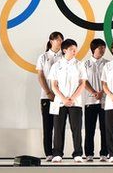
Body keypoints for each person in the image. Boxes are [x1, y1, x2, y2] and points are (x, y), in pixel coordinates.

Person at [49, 38, 87, 162]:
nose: (74, 51)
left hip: (75, 102)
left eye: (75, 49)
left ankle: (77, 154)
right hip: (60, 102)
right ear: (64, 50)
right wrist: (64, 99)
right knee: (58, 128)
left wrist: (72, 98)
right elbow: (54, 85)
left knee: (76, 129)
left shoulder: (79, 64)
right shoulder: (56, 65)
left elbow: (82, 84)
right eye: (71, 49)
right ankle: (57, 153)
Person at [36, 31, 64, 160]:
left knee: (58, 125)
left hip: (60, 97)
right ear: (51, 41)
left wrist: (59, 94)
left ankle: (58, 152)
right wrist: (48, 92)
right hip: (47, 96)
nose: (60, 42)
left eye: (61, 39)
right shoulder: (43, 57)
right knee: (48, 125)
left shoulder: (64, 56)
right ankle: (48, 153)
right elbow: (40, 76)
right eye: (58, 39)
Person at [81, 38, 108, 161]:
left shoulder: (108, 63)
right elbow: (83, 81)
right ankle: (89, 153)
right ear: (93, 49)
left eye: (104, 48)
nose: (103, 50)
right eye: (100, 48)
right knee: (90, 128)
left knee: (105, 128)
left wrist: (102, 92)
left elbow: (110, 81)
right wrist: (93, 92)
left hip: (105, 101)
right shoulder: (85, 64)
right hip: (90, 101)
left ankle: (104, 153)